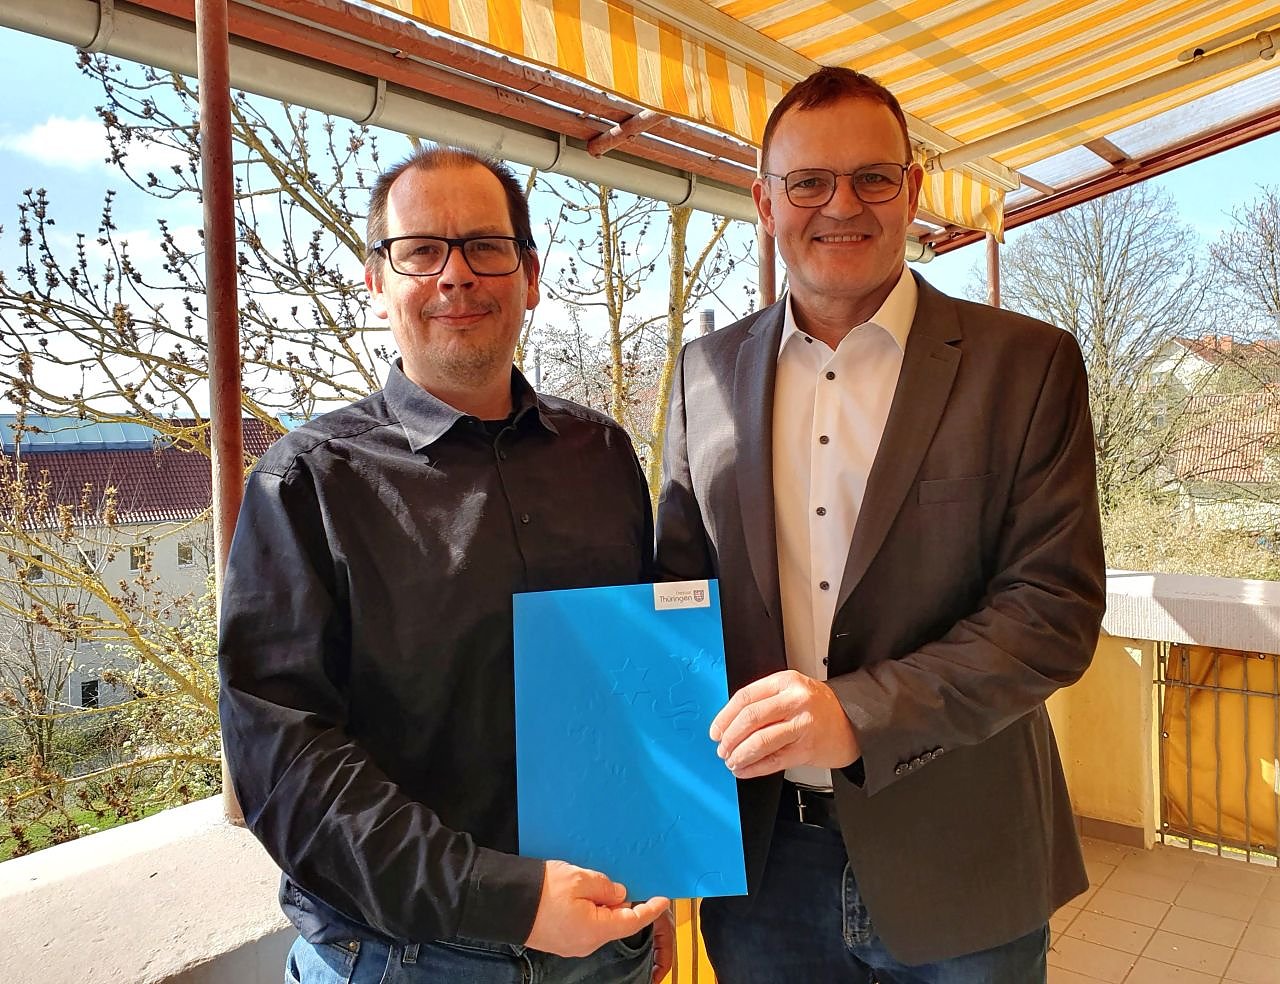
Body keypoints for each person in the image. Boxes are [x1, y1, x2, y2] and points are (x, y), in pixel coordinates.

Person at [656, 67, 1106, 982]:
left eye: (871, 178)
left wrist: (856, 714)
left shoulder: (1027, 365)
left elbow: (1052, 611)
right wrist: (649, 835)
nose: (841, 205)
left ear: (912, 191)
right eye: (808, 182)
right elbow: (676, 603)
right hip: (764, 867)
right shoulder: (704, 372)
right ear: (765, 203)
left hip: (964, 852)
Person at [219, 146, 673, 984]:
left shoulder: (603, 455)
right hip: (406, 959)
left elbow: (635, 682)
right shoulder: (310, 480)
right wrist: (505, 898)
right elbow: (282, 761)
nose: (455, 274)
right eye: (421, 250)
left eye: (485, 247)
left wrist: (660, 855)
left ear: (530, 277)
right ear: (377, 282)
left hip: (609, 945)